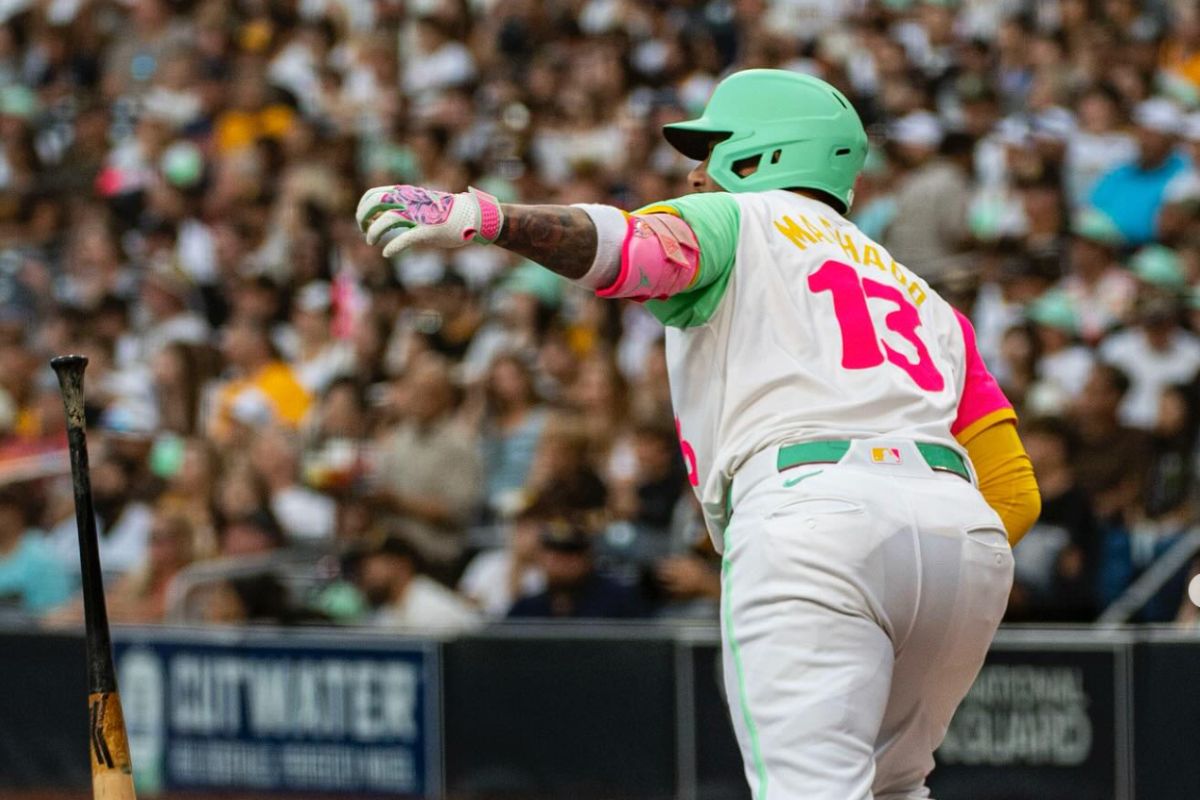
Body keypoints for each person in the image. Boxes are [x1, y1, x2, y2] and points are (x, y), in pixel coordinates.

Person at [355, 69, 1039, 799]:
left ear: (760, 157)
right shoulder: (927, 298)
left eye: (711, 149)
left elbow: (632, 250)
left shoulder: (743, 218)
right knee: (897, 788)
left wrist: (489, 217)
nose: (694, 170)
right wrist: (919, 539)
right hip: (962, 536)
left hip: (812, 509)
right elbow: (1015, 492)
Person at [506, 517, 647, 620]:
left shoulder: (619, 600)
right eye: (554, 554)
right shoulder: (528, 608)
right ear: (541, 557)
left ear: (588, 557)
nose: (561, 562)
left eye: (571, 553)